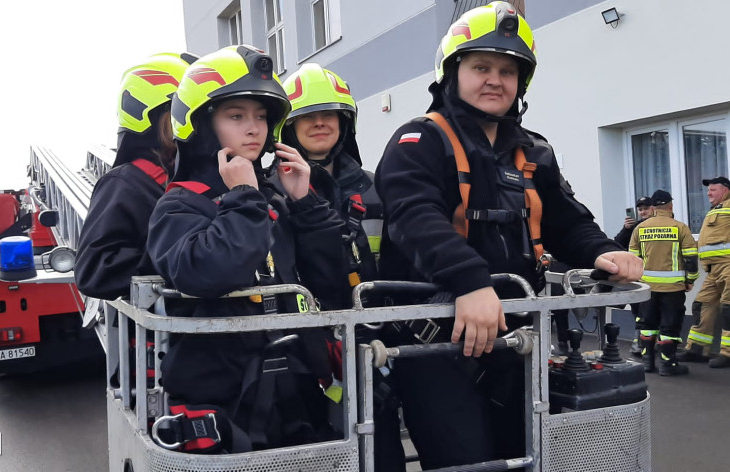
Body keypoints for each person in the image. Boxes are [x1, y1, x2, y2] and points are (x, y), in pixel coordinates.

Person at [374, 3, 643, 468]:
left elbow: (566, 220)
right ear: (452, 73)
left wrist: (606, 252)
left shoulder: (534, 150)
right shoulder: (416, 141)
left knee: (527, 459)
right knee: (465, 462)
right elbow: (413, 216)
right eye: (481, 67)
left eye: (507, 70)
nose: (495, 80)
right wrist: (470, 282)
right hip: (436, 343)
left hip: (517, 340)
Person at [146, 45, 346, 453]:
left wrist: (305, 203)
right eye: (236, 116)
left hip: (298, 395)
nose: (253, 128)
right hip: (225, 406)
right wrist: (243, 195)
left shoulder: (271, 198)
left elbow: (331, 280)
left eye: (260, 117)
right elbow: (208, 271)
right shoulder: (178, 204)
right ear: (202, 125)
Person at [276, 63, 402, 470]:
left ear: (344, 122)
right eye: (306, 116)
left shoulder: (374, 185)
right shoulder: (268, 191)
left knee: (381, 451)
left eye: (328, 113)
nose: (318, 122)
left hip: (373, 340)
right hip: (303, 350)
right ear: (286, 128)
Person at [75, 52, 195, 300]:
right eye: (183, 113)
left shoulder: (194, 175)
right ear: (150, 116)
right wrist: (179, 258)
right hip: (166, 333)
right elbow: (95, 270)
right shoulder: (125, 183)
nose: (194, 124)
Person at [679, 176, 730, 368]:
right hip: (715, 270)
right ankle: (697, 349)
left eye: (713, 190)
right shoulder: (715, 210)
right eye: (708, 190)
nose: (708, 193)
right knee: (701, 304)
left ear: (725, 190)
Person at [628, 190, 698, 376]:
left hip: (647, 289)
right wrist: (690, 280)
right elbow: (691, 259)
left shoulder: (639, 229)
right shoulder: (680, 228)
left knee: (647, 325)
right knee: (669, 326)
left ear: (652, 208)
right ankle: (668, 364)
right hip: (673, 288)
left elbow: (633, 259)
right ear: (671, 206)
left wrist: (637, 283)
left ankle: (647, 362)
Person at [618, 196, 652, 356]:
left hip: (658, 278)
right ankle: (639, 342)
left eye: (646, 208)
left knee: (653, 311)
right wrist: (626, 229)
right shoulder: (635, 227)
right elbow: (617, 243)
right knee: (638, 311)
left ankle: (650, 343)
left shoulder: (664, 225)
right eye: (640, 209)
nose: (643, 212)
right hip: (638, 275)